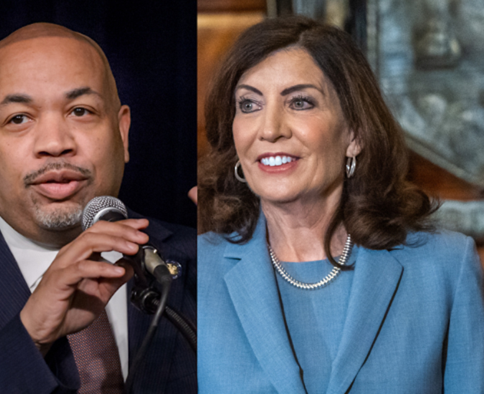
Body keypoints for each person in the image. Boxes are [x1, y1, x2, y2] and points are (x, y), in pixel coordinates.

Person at [197, 16, 484, 392]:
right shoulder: (193, 272)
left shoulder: (444, 267)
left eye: (300, 102)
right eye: (249, 104)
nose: (269, 129)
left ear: (355, 134)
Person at [0, 23, 196, 393]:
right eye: (18, 119)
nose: (54, 143)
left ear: (123, 133)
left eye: (80, 111)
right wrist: (29, 335)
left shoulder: (202, 264)